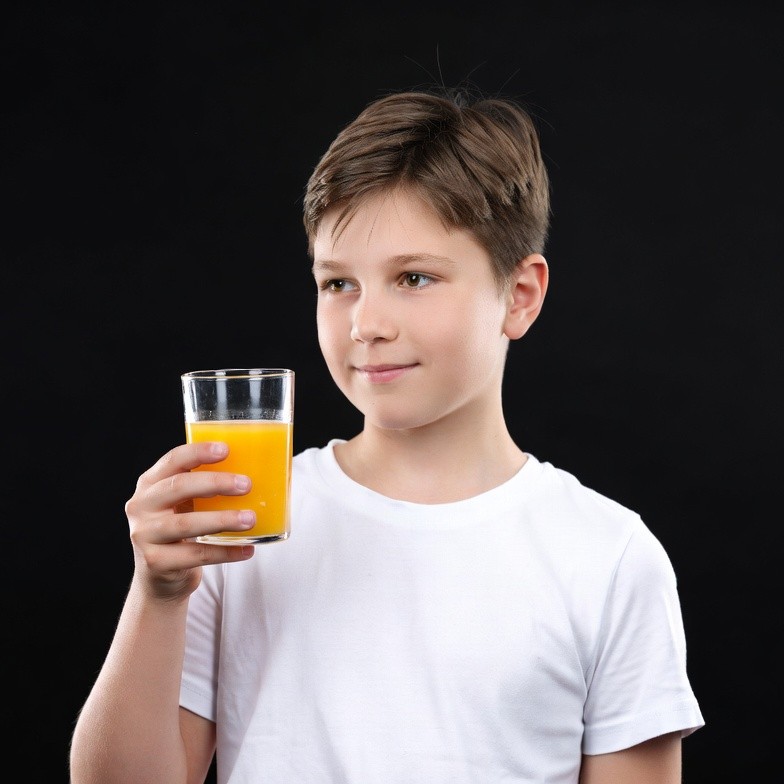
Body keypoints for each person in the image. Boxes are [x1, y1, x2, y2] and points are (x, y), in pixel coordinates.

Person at [69, 87, 704, 784]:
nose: (366, 324)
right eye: (337, 283)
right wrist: (157, 593)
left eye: (414, 277)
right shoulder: (239, 527)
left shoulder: (608, 558)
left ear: (519, 296)